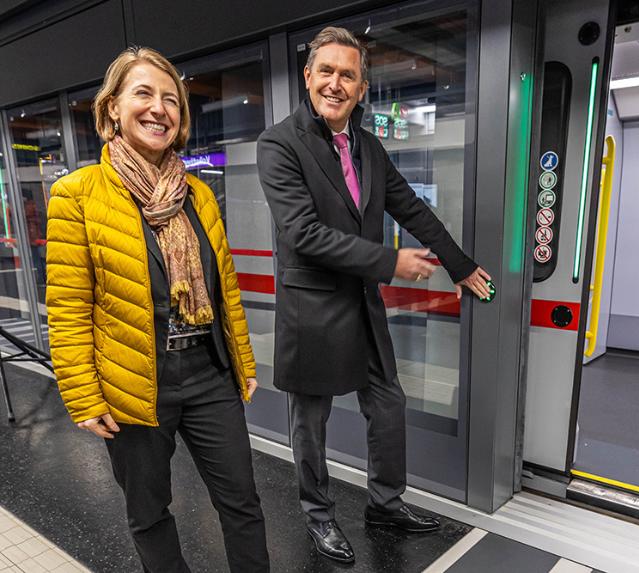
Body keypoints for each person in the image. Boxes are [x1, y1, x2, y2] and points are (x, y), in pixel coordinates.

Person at [257, 26, 492, 564]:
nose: (335, 83)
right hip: (312, 308)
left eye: (348, 75)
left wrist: (459, 265)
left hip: (361, 305)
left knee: (387, 406)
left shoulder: (368, 146)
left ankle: (384, 503)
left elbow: (408, 207)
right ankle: (318, 517)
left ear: (362, 88)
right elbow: (303, 234)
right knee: (309, 425)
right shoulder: (279, 144)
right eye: (327, 72)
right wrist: (391, 262)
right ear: (308, 77)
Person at [46, 47, 270, 573]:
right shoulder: (76, 196)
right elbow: (69, 307)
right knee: (149, 512)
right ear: (112, 111)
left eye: (171, 99)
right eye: (143, 93)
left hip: (210, 372)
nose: (159, 108)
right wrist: (82, 393)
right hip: (133, 379)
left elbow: (224, 290)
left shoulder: (198, 195)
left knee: (243, 502)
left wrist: (243, 360)